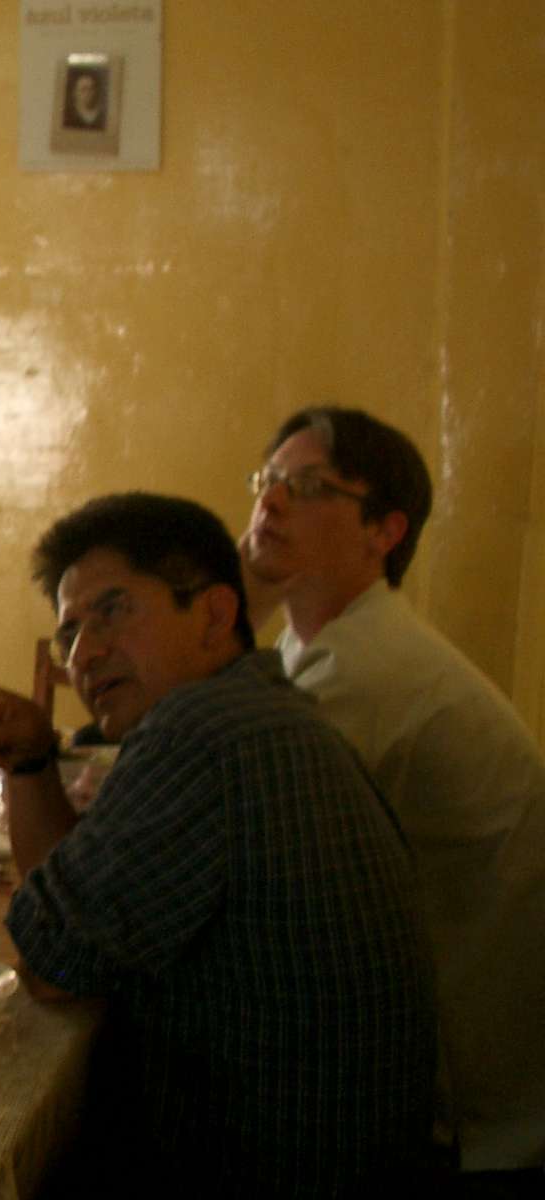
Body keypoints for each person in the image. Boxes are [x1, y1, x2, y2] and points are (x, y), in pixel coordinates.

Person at [0, 492, 436, 1197]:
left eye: (112, 611)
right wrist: (31, 763)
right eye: (70, 632)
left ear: (214, 614)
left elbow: (53, 962)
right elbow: (86, 917)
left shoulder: (202, 734)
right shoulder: (262, 712)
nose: (85, 653)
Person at [242, 406, 545, 1186]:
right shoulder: (314, 640)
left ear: (385, 531)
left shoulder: (369, 667)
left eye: (307, 487)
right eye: (268, 480)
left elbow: (235, 845)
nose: (270, 503)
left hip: (469, 1103)